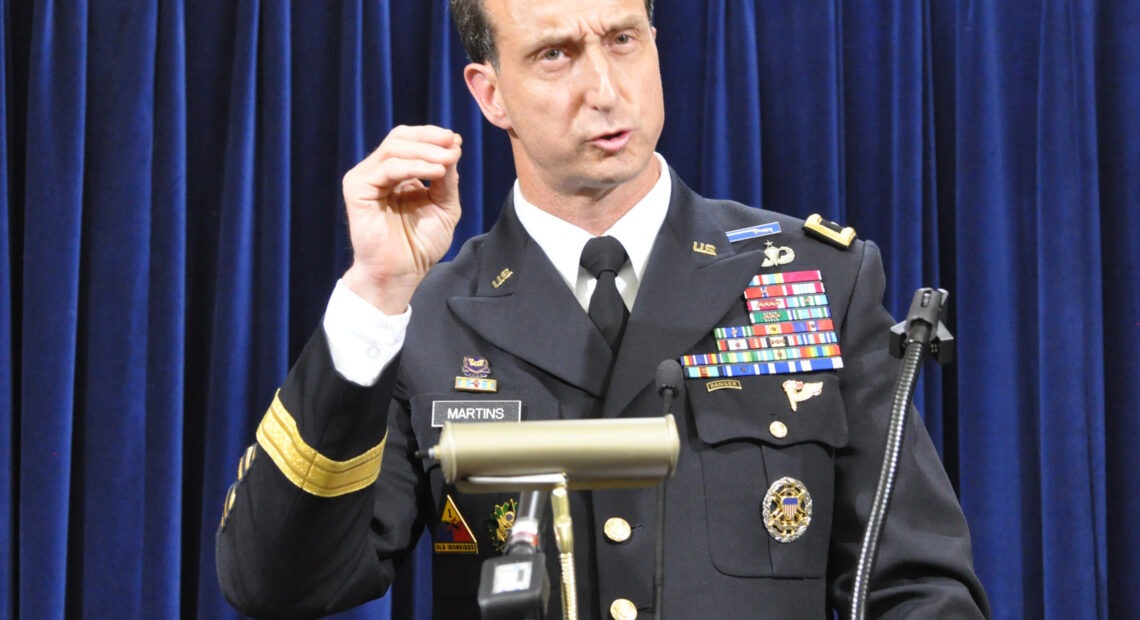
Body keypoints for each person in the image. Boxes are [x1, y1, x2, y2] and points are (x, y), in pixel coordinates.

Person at [216, 0, 991, 617]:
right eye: (555, 54)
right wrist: (375, 294)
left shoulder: (817, 281)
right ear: (490, 93)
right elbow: (276, 585)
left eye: (623, 39)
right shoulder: (429, 318)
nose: (606, 90)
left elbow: (918, 589)